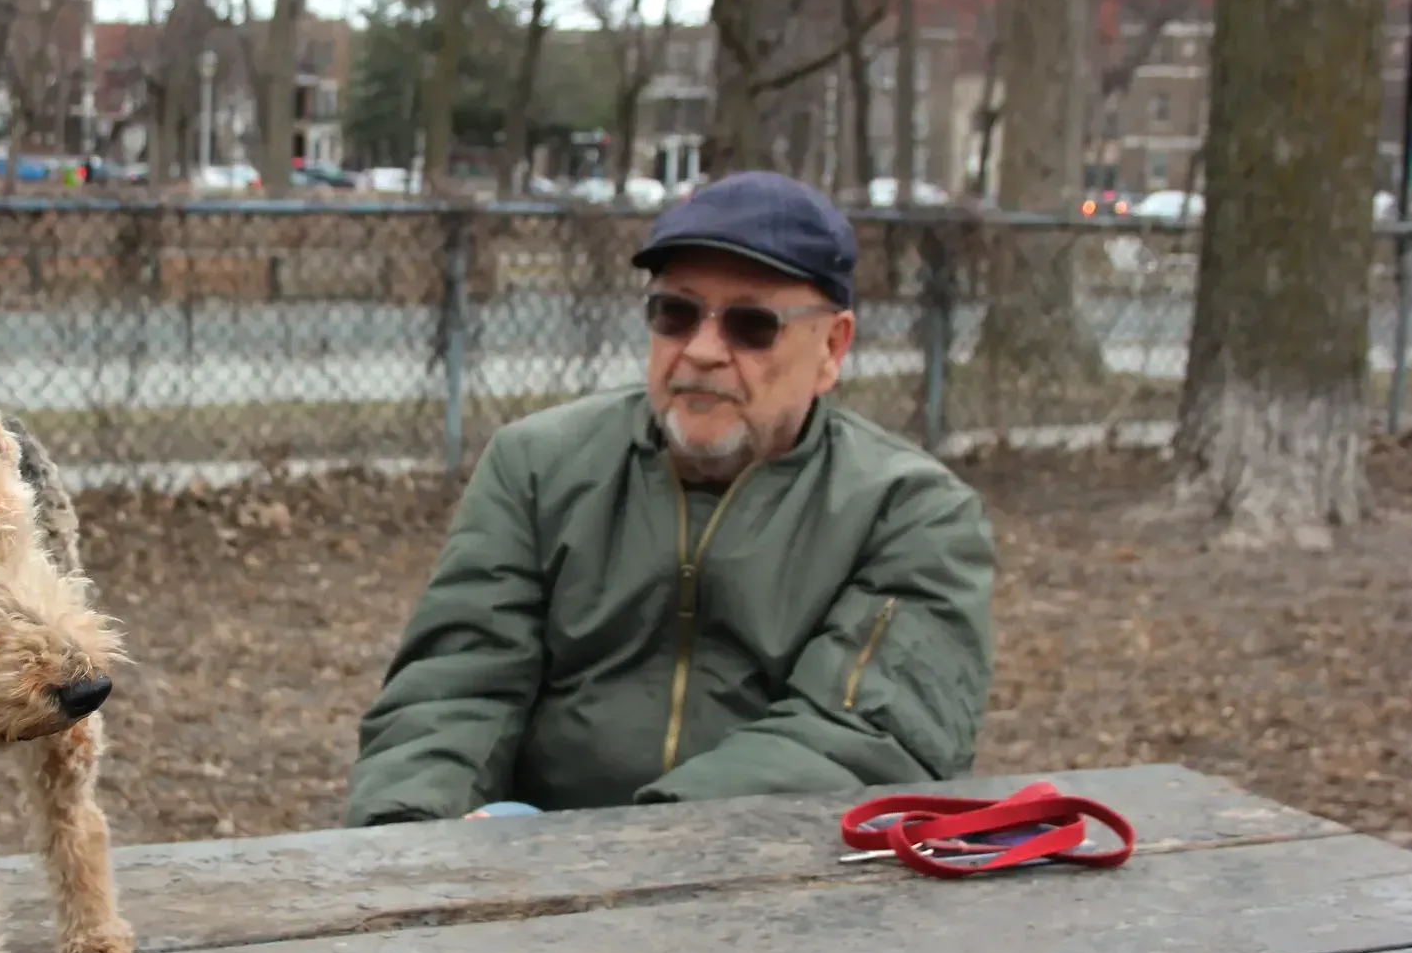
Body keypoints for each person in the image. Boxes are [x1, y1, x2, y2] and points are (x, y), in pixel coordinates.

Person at [342, 170, 997, 827]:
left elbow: (866, 738)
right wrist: (410, 840)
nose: (702, 351)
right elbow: (453, 690)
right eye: (674, 313)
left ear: (831, 347)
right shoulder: (537, 466)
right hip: (532, 877)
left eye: (750, 324)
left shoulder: (910, 512)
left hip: (780, 886)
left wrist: (644, 852)